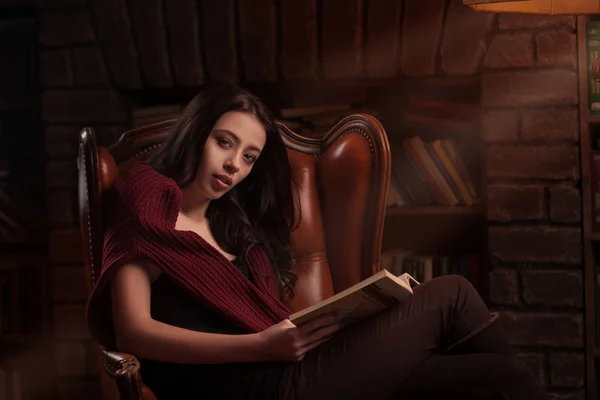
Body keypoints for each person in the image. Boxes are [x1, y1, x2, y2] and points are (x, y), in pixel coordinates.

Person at [86, 84, 548, 400]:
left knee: (501, 377)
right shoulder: (146, 203)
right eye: (224, 142)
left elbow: (269, 318)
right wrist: (261, 348)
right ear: (195, 134)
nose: (234, 166)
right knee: (452, 295)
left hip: (291, 370)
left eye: (248, 156)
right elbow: (133, 332)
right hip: (262, 387)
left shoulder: (230, 223)